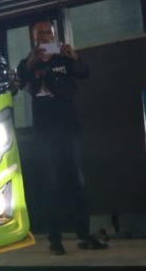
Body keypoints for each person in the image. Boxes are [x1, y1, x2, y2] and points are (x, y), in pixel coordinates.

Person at [14, 19, 108, 255]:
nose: (45, 37)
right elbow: (16, 86)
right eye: (40, 34)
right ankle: (54, 240)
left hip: (69, 126)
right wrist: (30, 62)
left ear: (54, 35)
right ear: (34, 38)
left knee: (78, 181)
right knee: (51, 183)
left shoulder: (63, 57)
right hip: (44, 130)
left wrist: (74, 56)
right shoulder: (28, 62)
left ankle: (84, 235)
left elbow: (84, 73)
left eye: (48, 33)